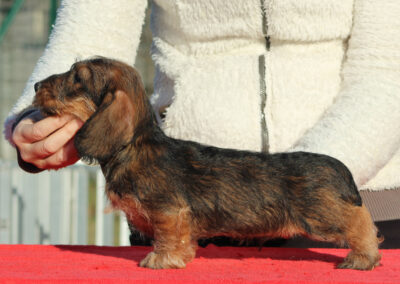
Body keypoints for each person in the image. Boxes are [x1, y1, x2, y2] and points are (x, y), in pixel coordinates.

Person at [4, 0, 400, 247]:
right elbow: (90, 41)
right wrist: (34, 119)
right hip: (180, 208)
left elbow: (387, 70)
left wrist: (296, 187)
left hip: (349, 203)